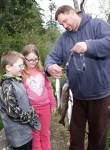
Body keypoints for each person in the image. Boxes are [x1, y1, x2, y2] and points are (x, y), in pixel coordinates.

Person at [44, 5, 110, 150]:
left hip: (100, 95)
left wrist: (88, 45)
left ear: (73, 13)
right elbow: (51, 57)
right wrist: (49, 66)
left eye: (65, 21)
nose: (65, 26)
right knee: (75, 135)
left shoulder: (97, 25)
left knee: (98, 137)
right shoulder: (64, 39)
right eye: (61, 24)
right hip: (77, 96)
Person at [0, 51, 40, 150]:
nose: (23, 68)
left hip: (25, 132)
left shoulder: (17, 81)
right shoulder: (8, 86)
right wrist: (30, 116)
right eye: (20, 66)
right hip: (18, 136)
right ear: (8, 67)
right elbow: (12, 112)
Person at [22, 44, 56, 150]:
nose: (33, 62)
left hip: (45, 107)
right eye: (30, 60)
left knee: (45, 133)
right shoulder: (22, 74)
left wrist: (53, 103)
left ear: (38, 58)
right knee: (35, 135)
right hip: (32, 109)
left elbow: (49, 88)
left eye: (35, 59)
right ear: (24, 59)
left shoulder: (42, 72)